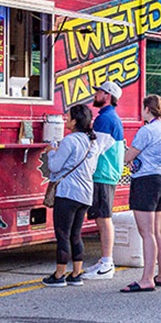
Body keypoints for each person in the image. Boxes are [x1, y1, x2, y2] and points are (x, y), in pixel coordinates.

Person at [42, 104, 110, 287]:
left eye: (68, 116)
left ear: (75, 120)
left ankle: (59, 275)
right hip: (85, 194)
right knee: (75, 234)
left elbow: (55, 167)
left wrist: (50, 153)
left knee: (62, 234)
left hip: (67, 193)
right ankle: (76, 273)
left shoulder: (69, 141)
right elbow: (92, 168)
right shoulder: (92, 143)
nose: (66, 119)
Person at [119, 95, 161, 293]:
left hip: (145, 181)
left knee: (147, 233)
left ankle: (147, 278)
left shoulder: (146, 130)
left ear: (147, 109)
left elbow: (128, 156)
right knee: (158, 230)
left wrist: (122, 154)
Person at [84, 81, 125, 281]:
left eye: (99, 92)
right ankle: (104, 260)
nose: (96, 95)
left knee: (104, 218)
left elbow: (95, 150)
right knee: (102, 217)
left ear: (107, 95)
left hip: (103, 174)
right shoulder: (109, 118)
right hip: (106, 174)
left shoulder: (105, 120)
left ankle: (107, 262)